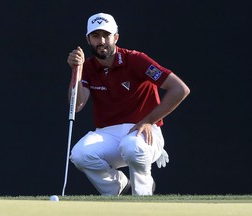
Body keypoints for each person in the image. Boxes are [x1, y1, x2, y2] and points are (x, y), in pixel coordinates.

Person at [67, 12, 190, 196]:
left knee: (132, 147)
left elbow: (180, 89)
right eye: (95, 36)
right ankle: (119, 187)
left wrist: (150, 120)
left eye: (106, 35)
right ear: (88, 40)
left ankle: (143, 197)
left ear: (115, 37)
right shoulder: (88, 67)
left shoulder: (136, 60)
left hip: (144, 131)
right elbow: (76, 106)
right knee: (80, 155)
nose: (101, 41)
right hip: (108, 133)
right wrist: (77, 70)